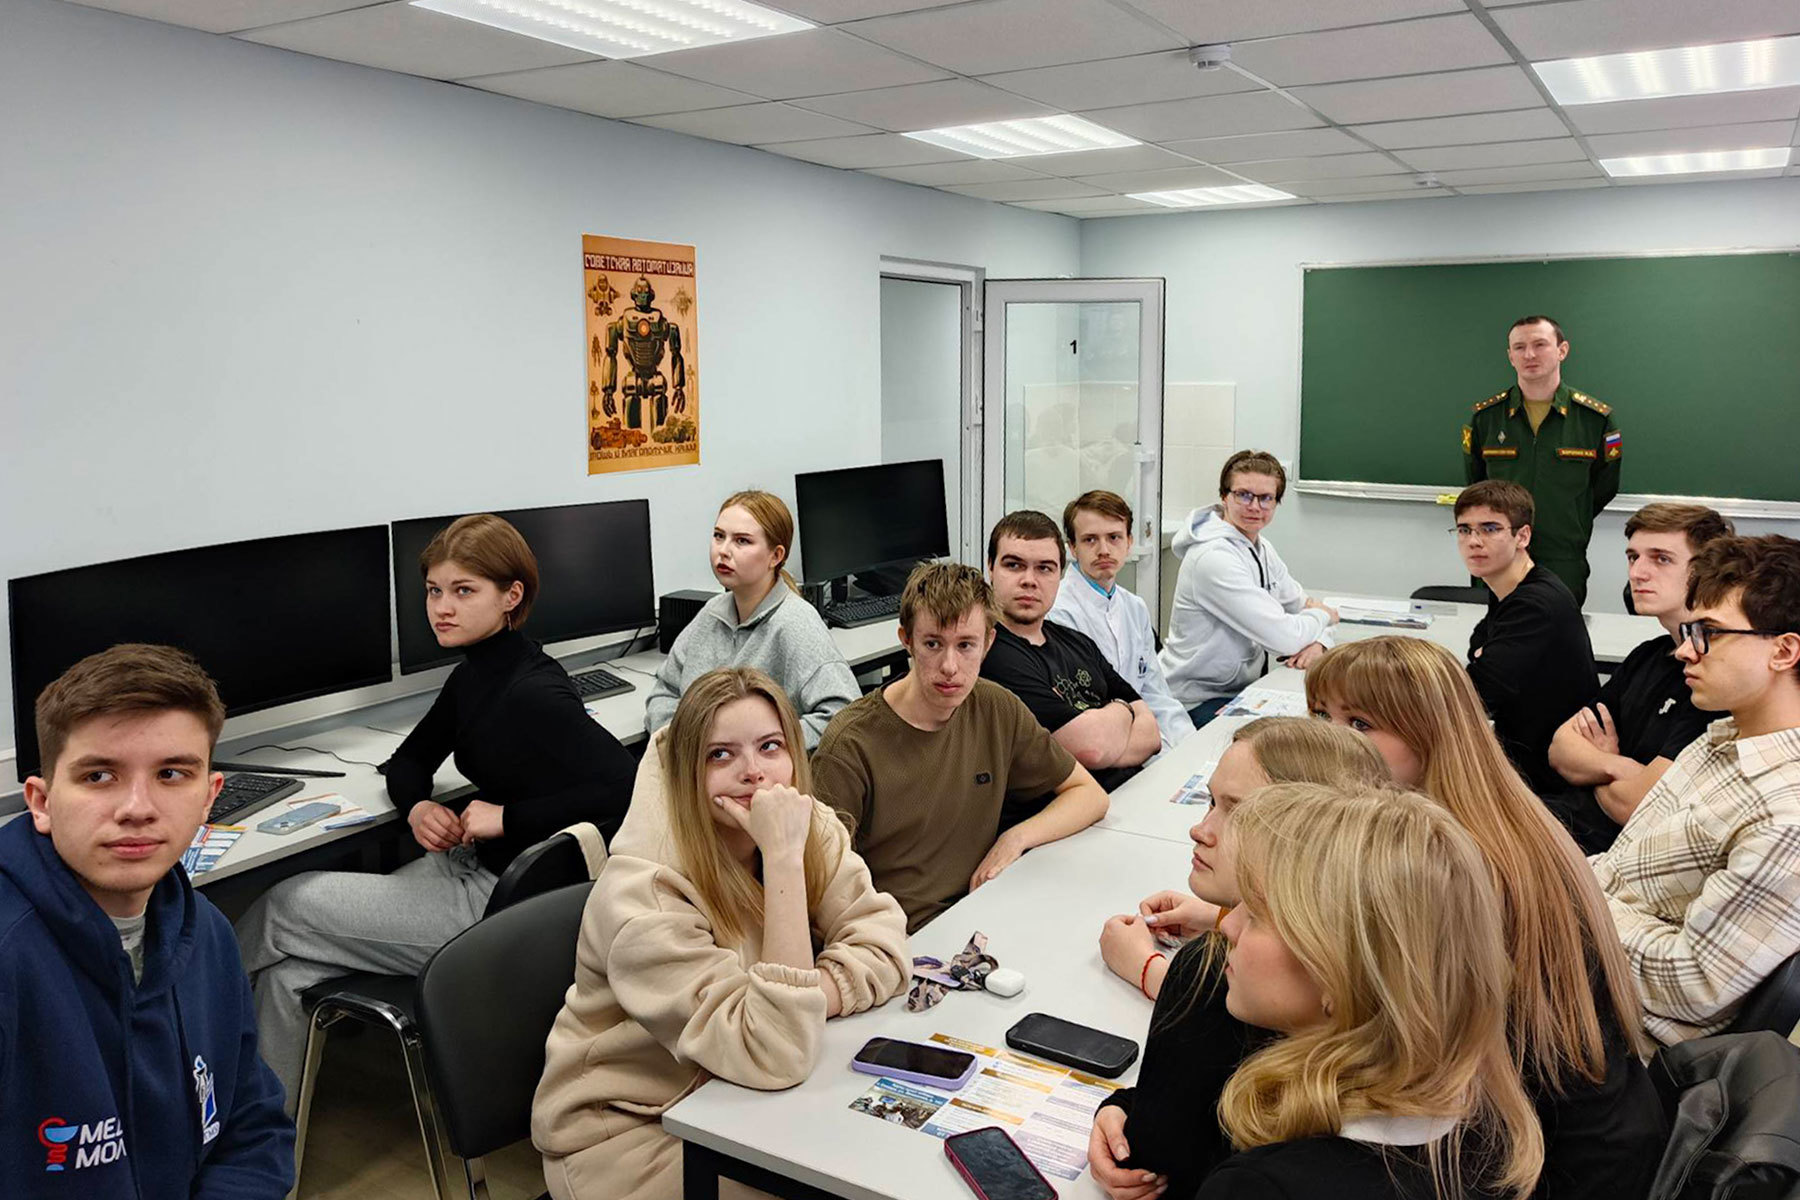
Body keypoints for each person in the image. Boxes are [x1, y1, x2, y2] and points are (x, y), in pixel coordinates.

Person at [237, 514, 637, 1107]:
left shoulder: (533, 691)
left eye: (463, 591)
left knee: (286, 905)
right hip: (466, 868)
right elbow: (408, 760)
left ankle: (181, 1027)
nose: (441, 608)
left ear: (511, 596)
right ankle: (261, 1139)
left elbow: (626, 786)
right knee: (285, 976)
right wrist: (418, 805)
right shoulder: (476, 674)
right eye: (433, 591)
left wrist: (509, 817)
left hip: (502, 905)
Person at [1303, 635, 1666, 1199]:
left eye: (1359, 724)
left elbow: (1384, 1033)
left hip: (1546, 1161)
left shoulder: (1446, 862)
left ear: (1429, 735)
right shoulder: (1496, 815)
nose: (1328, 738)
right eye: (1320, 716)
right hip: (1569, 1121)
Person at [532, 668, 909, 1200]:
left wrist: (800, 1000)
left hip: (736, 1090)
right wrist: (783, 861)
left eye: (770, 746)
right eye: (720, 755)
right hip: (633, 1132)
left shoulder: (794, 820)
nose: (754, 773)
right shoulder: (643, 897)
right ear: (687, 771)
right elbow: (777, 1051)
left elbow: (885, 942)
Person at [1100, 785, 1546, 1200]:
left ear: (1338, 973)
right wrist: (1132, 1104)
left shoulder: (1261, 1187)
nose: (1228, 924)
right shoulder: (1492, 1124)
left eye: (1257, 915)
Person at [2, 644, 294, 1195]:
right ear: (41, 802)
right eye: (99, 776)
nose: (137, 807)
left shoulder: (207, 934)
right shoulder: (10, 957)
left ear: (209, 796)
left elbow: (251, 1128)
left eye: (171, 773)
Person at [810, 561, 1108, 932]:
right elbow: (818, 888)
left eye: (966, 645)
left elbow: (1089, 795)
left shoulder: (996, 707)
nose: (950, 666)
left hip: (981, 911)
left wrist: (1015, 838)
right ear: (906, 640)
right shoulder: (850, 745)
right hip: (898, 936)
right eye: (933, 644)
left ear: (988, 643)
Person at [1590, 534, 1800, 1045]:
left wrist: (1567, 899)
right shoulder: (1717, 740)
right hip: (1581, 967)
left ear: (1784, 651)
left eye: (1709, 632)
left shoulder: (1785, 816)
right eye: (1689, 630)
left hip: (1614, 1034)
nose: (1684, 649)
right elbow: (1620, 870)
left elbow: (1693, 985)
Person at [1095, 717, 1390, 1004]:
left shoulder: (1272, 981)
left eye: (1239, 814)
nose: (1199, 831)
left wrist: (1144, 966)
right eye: (1213, 802)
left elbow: (1212, 1012)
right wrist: (1219, 916)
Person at [1544, 503, 1733, 852]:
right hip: (1560, 820)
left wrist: (1596, 769)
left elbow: (1639, 807)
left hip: (1605, 851)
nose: (1638, 573)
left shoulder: (1715, 678)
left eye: (1661, 559)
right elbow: (1560, 748)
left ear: (1707, 571)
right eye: (1633, 557)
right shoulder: (1647, 655)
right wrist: (1620, 766)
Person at [645, 489, 859, 749]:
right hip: (696, 767)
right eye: (719, 536)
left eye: (742, 541)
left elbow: (844, 719)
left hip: (760, 772)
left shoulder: (795, 623)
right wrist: (678, 745)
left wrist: (761, 747)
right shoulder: (711, 613)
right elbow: (665, 691)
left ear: (775, 556)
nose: (723, 551)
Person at [981, 509, 1160, 806]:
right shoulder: (990, 653)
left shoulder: (1076, 642)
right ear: (990, 567)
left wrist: (1104, 730)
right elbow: (1092, 750)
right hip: (1072, 815)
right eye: (1014, 565)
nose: (1029, 580)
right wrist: (1123, 709)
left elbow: (1151, 734)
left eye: (1044, 568)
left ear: (1060, 575)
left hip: (1132, 794)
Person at [1161, 450, 1338, 728]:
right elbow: (1286, 637)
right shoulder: (1213, 558)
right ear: (1224, 496)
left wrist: (1320, 642)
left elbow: (1302, 605)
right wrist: (1324, 615)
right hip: (1193, 702)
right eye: (1244, 495)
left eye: (1266, 498)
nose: (1255, 506)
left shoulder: (1261, 548)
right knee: (1297, 736)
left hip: (1241, 690)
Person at [1463, 314, 1622, 605]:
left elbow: (1603, 488)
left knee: (1558, 629)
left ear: (1562, 350)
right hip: (1497, 555)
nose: (1530, 355)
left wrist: (1566, 517)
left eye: (1540, 345)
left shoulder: (1594, 420)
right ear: (1510, 356)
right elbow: (1476, 486)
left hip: (1562, 559)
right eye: (1520, 347)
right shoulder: (1486, 418)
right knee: (1495, 629)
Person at [1455, 479, 1598, 792]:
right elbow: (1477, 652)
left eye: (1490, 528)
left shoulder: (1535, 603)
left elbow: (1478, 692)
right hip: (1522, 753)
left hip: (1545, 775)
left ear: (1523, 536)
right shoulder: (1508, 589)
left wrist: (1483, 659)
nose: (1474, 541)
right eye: (1464, 530)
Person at [1047, 490, 1195, 751]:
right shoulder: (1058, 613)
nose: (1104, 550)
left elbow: (1155, 693)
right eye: (1090, 539)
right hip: (1103, 749)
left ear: (1129, 542)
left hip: (1144, 736)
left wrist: (1189, 746)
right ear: (1072, 548)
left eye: (1114, 537)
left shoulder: (1134, 607)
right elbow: (1086, 710)